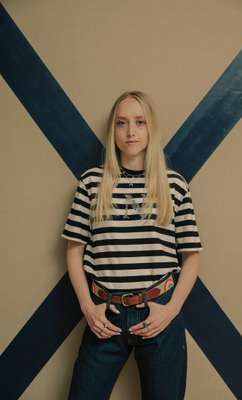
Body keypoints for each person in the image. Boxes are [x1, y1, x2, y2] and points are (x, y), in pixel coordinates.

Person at [61, 90, 203, 399]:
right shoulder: (91, 183)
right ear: (112, 130)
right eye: (122, 123)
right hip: (106, 316)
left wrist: (171, 310)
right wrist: (88, 308)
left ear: (151, 128)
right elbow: (74, 250)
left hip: (159, 315)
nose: (131, 131)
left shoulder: (174, 185)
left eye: (139, 122)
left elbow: (191, 257)